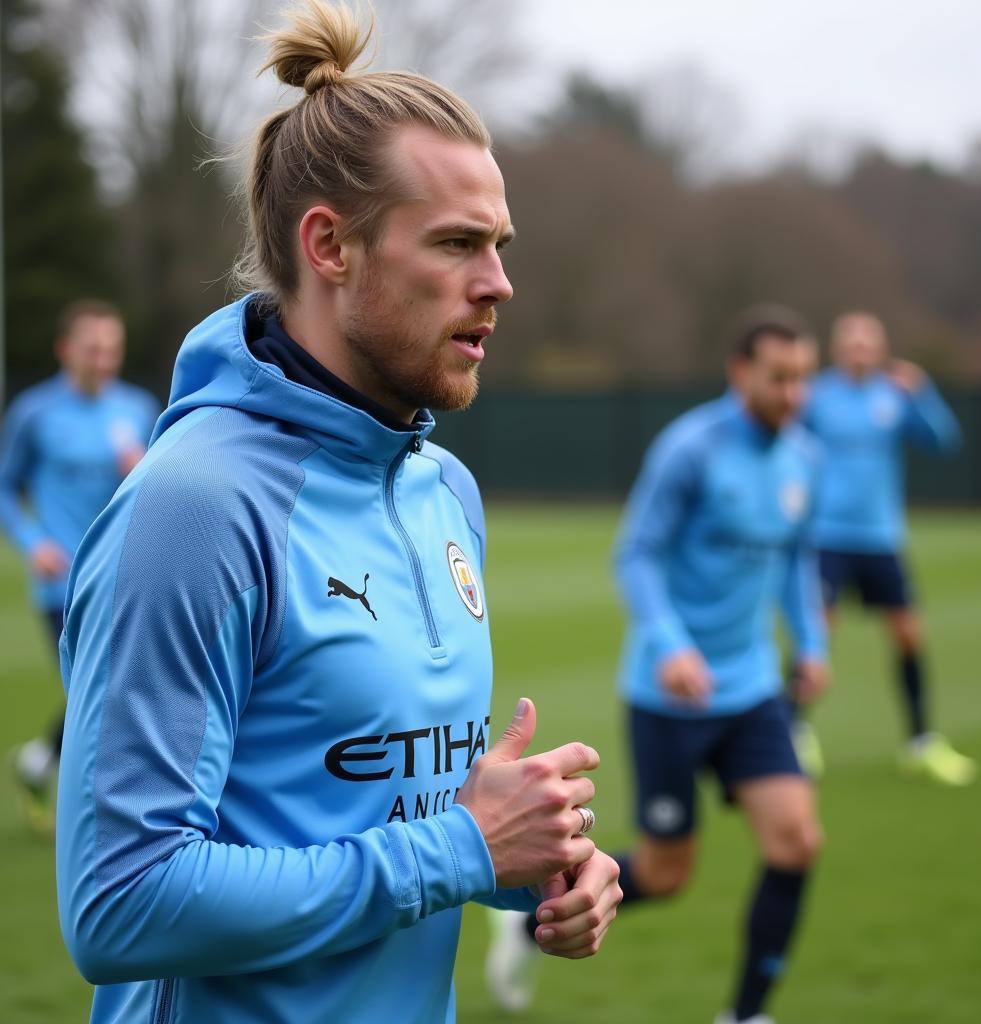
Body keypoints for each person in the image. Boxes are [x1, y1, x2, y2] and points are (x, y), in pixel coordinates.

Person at [55, 3, 620, 1022]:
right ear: (330, 246)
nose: (497, 283)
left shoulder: (442, 489)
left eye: (497, 243)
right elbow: (120, 905)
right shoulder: (197, 507)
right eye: (456, 243)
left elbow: (370, 821)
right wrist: (459, 847)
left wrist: (526, 865)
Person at [488, 307, 827, 1023]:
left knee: (796, 841)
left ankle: (745, 1014)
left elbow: (797, 562)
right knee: (668, 872)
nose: (793, 394)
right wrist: (671, 643)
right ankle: (524, 922)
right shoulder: (692, 448)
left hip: (753, 689)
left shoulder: (806, 457)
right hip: (667, 695)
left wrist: (814, 646)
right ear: (741, 373)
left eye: (803, 379)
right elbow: (636, 553)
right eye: (779, 378)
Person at [0, 299, 158, 831]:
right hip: (64, 584)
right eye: (93, 349)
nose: (104, 359)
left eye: (113, 348)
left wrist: (146, 470)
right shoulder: (35, 413)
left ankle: (41, 761)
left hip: (130, 576)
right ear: (66, 350)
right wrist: (32, 541)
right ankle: (101, 820)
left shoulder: (138, 409)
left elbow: (162, 490)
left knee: (119, 691)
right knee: (105, 695)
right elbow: (5, 487)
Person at [801, 311, 975, 785]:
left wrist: (924, 393)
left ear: (879, 349)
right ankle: (795, 733)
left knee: (908, 635)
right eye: (850, 342)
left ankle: (920, 741)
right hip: (827, 535)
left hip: (880, 537)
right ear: (837, 348)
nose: (858, 350)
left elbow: (944, 442)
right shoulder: (816, 394)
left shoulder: (894, 395)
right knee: (816, 633)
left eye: (866, 343)